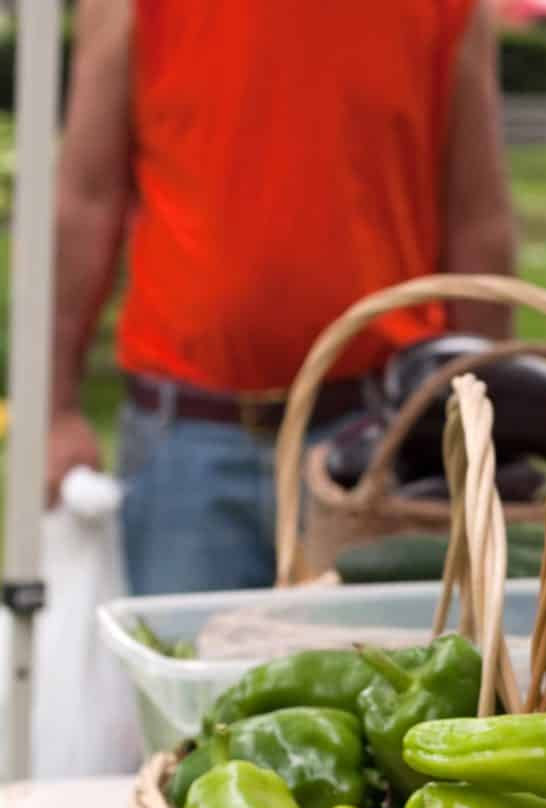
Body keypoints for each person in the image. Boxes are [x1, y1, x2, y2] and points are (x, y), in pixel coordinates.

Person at [47, 0, 516, 595]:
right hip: (188, 442)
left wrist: (482, 435)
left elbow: (475, 223)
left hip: (373, 446)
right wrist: (55, 411)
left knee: (383, 684)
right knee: (183, 681)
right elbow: (87, 200)